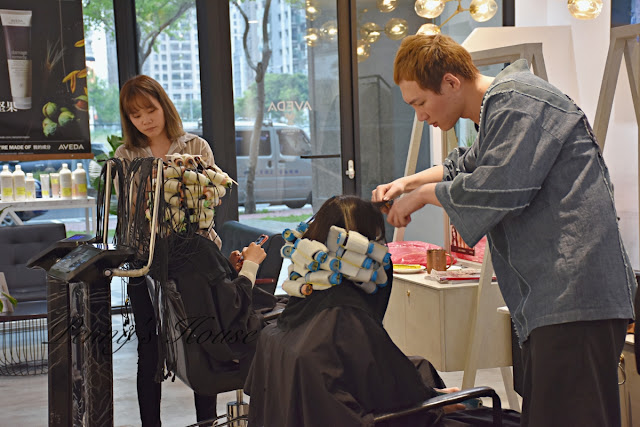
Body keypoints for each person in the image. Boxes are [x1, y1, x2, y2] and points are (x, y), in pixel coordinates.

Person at [372, 34, 636, 426]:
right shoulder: (500, 110)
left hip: (575, 297)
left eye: (420, 103)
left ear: (451, 82)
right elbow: (464, 165)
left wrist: (422, 195)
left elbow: (498, 188)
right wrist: (407, 183)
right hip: (557, 300)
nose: (421, 116)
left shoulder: (518, 101)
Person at [244, 195, 520, 427]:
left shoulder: (302, 304)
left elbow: (377, 377)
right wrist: (437, 403)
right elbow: (394, 396)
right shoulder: (346, 315)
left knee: (421, 367)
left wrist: (430, 395)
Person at [115, 75, 268, 426]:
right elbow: (130, 211)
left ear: (164, 106)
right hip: (146, 263)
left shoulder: (196, 146)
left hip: (198, 261)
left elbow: (211, 199)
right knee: (149, 348)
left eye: (150, 110)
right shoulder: (127, 155)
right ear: (128, 119)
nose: (145, 120)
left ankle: (207, 421)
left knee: (203, 341)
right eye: (136, 115)